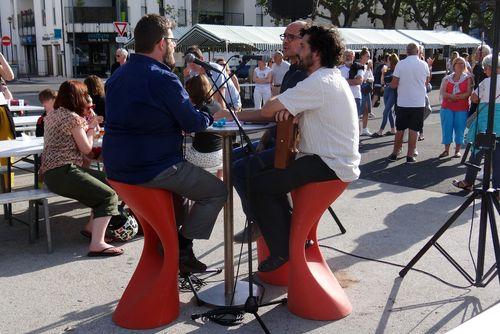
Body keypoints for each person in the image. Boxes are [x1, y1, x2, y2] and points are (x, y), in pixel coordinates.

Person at [103, 14, 227, 273]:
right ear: (161, 43)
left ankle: (171, 246)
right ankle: (182, 248)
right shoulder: (163, 78)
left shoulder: (116, 76)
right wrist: (209, 113)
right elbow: (192, 123)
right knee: (217, 191)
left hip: (116, 169)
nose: (175, 46)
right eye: (172, 40)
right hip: (152, 167)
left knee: (180, 196)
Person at [237, 24, 361, 272]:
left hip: (328, 163)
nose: (299, 50)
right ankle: (290, 235)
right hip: (329, 159)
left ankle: (284, 250)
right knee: (257, 175)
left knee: (258, 184)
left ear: (316, 53)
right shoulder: (330, 77)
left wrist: (280, 105)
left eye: (303, 46)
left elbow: (268, 109)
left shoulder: (319, 81)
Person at [231, 20, 309, 243]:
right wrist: (266, 137)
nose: (285, 41)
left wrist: (232, 115)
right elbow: (277, 115)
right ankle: (267, 217)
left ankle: (261, 222)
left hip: (293, 147)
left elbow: (272, 112)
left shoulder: (305, 74)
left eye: (291, 37)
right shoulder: (292, 70)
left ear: (306, 41)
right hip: (279, 139)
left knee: (240, 169)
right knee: (232, 157)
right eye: (284, 36)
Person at [40, 80, 122, 257]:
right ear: (76, 97)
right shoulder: (72, 117)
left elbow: (81, 149)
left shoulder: (53, 114)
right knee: (109, 195)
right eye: (84, 94)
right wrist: (91, 127)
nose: (87, 98)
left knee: (109, 182)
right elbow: (86, 149)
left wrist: (89, 126)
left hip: (51, 173)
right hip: (63, 171)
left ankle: (91, 228)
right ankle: (97, 243)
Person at [452, 53, 500, 191]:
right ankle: (497, 189)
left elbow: (474, 98)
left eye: (486, 68)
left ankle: (468, 181)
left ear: (492, 67)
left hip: (486, 120)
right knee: (498, 156)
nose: (484, 71)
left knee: (477, 151)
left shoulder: (486, 82)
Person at [387, 43, 430, 164]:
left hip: (403, 102)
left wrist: (390, 84)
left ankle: (395, 153)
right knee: (414, 130)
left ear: (407, 52)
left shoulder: (401, 64)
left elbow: (394, 84)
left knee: (400, 129)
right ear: (418, 51)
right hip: (418, 102)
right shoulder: (424, 64)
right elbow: (426, 83)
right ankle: (410, 156)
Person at [184, 74, 223, 173]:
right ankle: (220, 180)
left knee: (178, 154)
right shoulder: (217, 105)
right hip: (220, 154)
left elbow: (187, 130)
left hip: (203, 155)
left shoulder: (200, 109)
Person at [438, 57, 472, 158]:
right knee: (447, 128)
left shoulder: (468, 78)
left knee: (460, 129)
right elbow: (443, 92)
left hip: (462, 108)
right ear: (454, 65)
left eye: (462, 63)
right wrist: (451, 97)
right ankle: (446, 150)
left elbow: (468, 92)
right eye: (458, 63)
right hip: (447, 107)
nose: (461, 65)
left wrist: (456, 97)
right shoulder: (447, 78)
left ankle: (457, 150)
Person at [338, 49, 366, 135]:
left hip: (355, 96)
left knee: (355, 118)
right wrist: (351, 81)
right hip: (343, 96)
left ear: (353, 57)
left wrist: (343, 81)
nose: (348, 57)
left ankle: (356, 138)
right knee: (344, 118)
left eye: (350, 55)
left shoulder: (359, 67)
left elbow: (359, 81)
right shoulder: (339, 69)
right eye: (346, 55)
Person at [372, 53, 399, 137]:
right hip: (386, 90)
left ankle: (380, 131)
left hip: (393, 91)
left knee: (386, 111)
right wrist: (383, 73)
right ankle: (392, 129)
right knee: (389, 111)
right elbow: (382, 82)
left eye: (388, 60)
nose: (387, 62)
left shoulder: (397, 70)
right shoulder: (387, 69)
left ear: (392, 61)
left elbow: (397, 82)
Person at [0, 52, 16, 192]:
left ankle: (7, 184)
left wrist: (1, 56)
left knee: (7, 145)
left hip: (1, 108)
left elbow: (10, 76)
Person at [469, 44, 491, 116]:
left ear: (483, 54)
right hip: (477, 91)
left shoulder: (487, 65)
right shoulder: (477, 64)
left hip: (483, 93)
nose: (475, 54)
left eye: (477, 53)